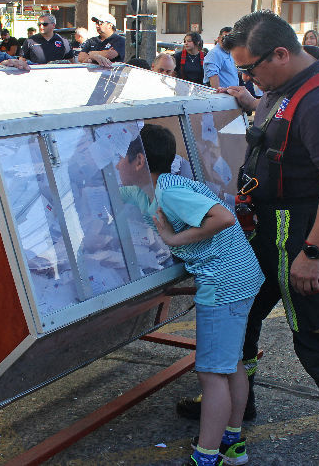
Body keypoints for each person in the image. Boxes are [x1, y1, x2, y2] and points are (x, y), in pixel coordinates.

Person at [194, 10, 319, 465]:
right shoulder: (278, 89)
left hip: (309, 233)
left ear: (281, 53)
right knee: (239, 316)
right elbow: (277, 133)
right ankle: (236, 404)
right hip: (266, 231)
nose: (248, 76)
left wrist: (313, 253)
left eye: (251, 67)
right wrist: (246, 99)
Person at [117, 124, 262, 466]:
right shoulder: (156, 188)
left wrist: (175, 240)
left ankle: (207, 455)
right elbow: (115, 193)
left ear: (139, 161)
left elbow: (223, 217)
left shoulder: (169, 193)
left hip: (224, 284)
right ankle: (233, 442)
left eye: (121, 158)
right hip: (240, 278)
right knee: (230, 364)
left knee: (211, 373)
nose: (116, 165)